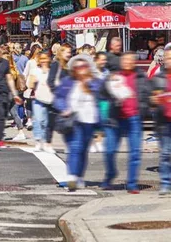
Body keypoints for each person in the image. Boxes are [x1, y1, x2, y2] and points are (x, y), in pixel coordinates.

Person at [103, 52, 151, 193]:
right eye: (124, 60)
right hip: (115, 118)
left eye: (130, 60)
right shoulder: (114, 76)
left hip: (134, 118)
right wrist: (108, 84)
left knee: (135, 153)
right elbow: (102, 92)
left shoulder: (141, 77)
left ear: (134, 62)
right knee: (110, 151)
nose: (127, 63)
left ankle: (131, 183)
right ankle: (110, 174)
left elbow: (147, 95)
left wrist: (143, 110)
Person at [54, 55, 104, 191]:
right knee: (74, 149)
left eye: (83, 66)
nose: (80, 69)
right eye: (77, 67)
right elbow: (58, 98)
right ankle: (72, 178)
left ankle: (79, 177)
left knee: (82, 151)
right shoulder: (67, 82)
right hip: (73, 121)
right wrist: (64, 108)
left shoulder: (96, 83)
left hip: (90, 122)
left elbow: (103, 100)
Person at [0, 46, 25, 147]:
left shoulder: (6, 65)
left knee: (2, 115)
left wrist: (14, 94)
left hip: (4, 93)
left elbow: (9, 78)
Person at [151, 49, 171, 195]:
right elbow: (152, 98)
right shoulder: (159, 77)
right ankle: (165, 183)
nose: (168, 59)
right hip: (164, 121)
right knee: (165, 153)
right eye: (167, 57)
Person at [27, 51, 54, 152]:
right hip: (37, 99)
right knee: (38, 120)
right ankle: (38, 141)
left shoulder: (52, 71)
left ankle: (45, 141)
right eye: (41, 59)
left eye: (45, 58)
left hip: (49, 99)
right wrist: (33, 81)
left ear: (49, 59)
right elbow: (29, 85)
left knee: (46, 122)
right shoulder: (35, 70)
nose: (43, 61)